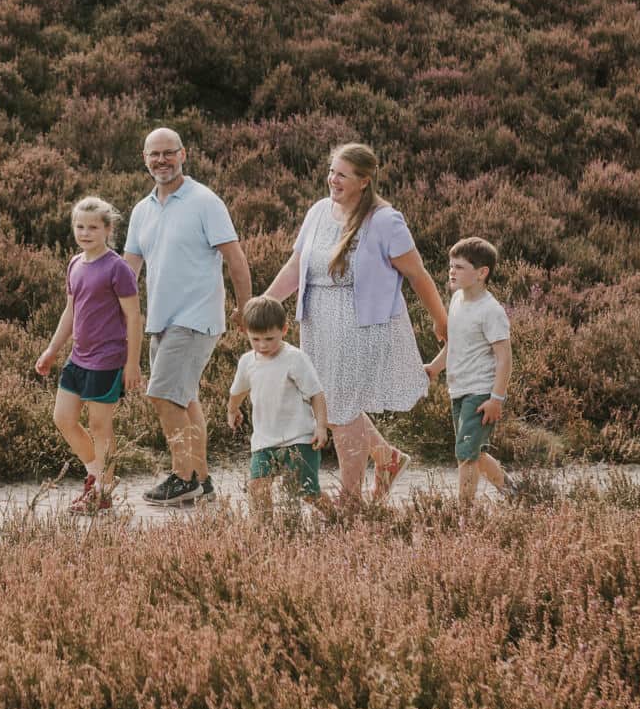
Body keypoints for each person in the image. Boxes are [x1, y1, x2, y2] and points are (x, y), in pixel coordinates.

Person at [261, 142, 447, 511]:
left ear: (364, 181)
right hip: (319, 323)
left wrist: (442, 321)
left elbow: (417, 274)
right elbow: (295, 267)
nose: (333, 179)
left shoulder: (385, 220)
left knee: (337, 410)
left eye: (342, 174)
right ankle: (386, 458)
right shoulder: (317, 212)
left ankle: (351, 500)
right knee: (328, 404)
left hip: (361, 326)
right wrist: (264, 303)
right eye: (331, 171)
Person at [124, 127, 253, 507]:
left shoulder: (204, 201)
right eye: (154, 154)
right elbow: (128, 268)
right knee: (184, 399)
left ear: (184, 155)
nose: (161, 160)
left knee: (163, 394)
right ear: (145, 159)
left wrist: (245, 307)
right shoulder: (141, 210)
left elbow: (235, 257)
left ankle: (183, 478)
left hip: (196, 317)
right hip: (160, 321)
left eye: (168, 153)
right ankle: (202, 479)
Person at [34, 197, 143, 515]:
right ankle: (97, 474)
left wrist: (132, 363)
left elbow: (134, 318)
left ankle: (101, 492)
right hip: (78, 358)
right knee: (63, 419)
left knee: (99, 427)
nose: (85, 232)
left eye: (93, 227)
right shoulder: (74, 264)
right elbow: (71, 310)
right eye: (79, 226)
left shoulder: (118, 269)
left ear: (108, 229)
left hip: (108, 360)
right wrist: (52, 350)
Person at [424, 236, 515, 509]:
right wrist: (434, 367)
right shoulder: (455, 301)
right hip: (459, 391)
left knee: (465, 453)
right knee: (474, 453)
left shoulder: (491, 311)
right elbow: (455, 345)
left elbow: (504, 358)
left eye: (460, 267)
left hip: (481, 393)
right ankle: (513, 492)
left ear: (482, 273)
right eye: (451, 265)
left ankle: (464, 514)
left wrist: (496, 398)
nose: (452, 271)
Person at [226, 295, 334, 522]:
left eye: (269, 338)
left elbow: (316, 394)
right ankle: (264, 530)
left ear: (284, 330)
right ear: (245, 332)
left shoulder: (295, 359)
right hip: (264, 441)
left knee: (306, 492)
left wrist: (321, 427)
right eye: (255, 339)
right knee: (257, 487)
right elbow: (238, 390)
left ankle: (338, 518)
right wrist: (232, 410)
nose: (263, 345)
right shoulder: (247, 361)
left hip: (299, 439)